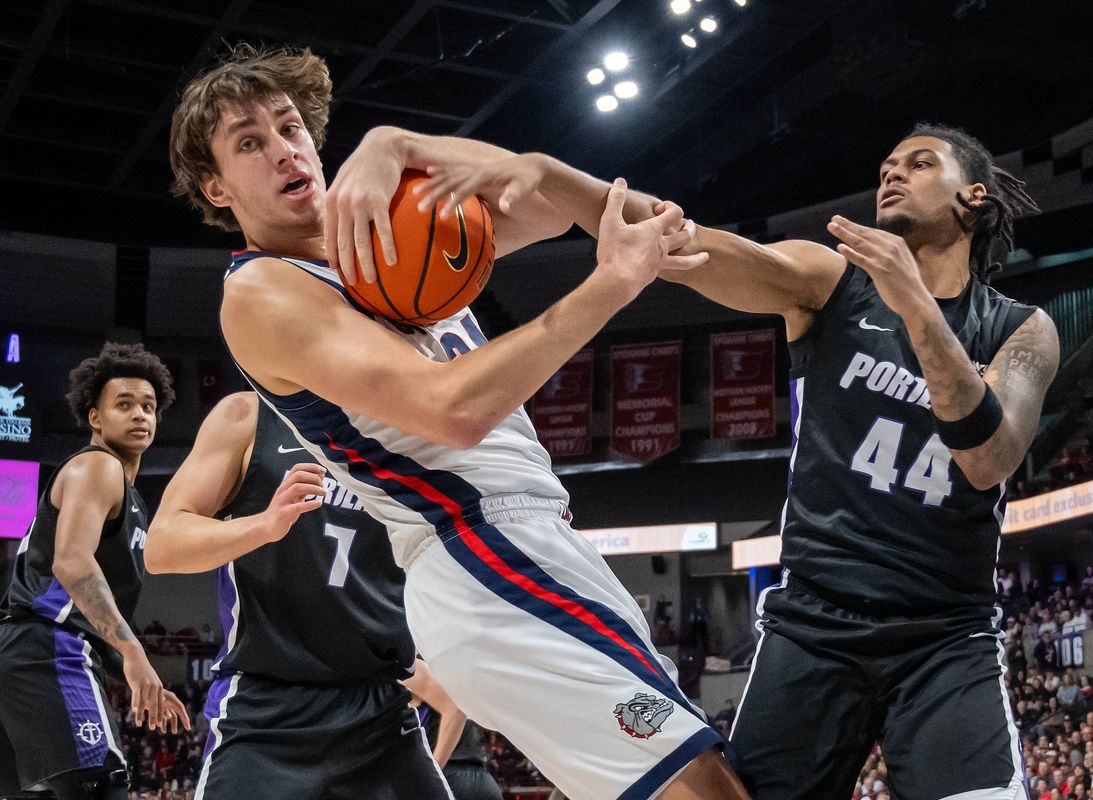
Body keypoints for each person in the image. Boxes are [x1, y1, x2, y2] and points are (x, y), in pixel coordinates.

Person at [167, 44, 743, 800]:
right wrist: (611, 284)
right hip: (477, 559)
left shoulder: (386, 238)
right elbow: (453, 411)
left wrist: (399, 145)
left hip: (539, 542)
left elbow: (548, 194)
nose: (283, 150)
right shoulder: (263, 293)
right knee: (702, 791)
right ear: (215, 187)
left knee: (709, 782)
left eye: (289, 127)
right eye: (250, 143)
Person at [419, 122, 1058, 798]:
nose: (892, 174)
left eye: (921, 164)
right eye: (887, 164)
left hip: (946, 633)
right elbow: (681, 238)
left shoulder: (1020, 327)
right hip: (816, 623)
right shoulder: (831, 281)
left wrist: (920, 309)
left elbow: (988, 458)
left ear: (974, 197)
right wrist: (549, 172)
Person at [145, 392, 452, 799]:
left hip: (377, 708)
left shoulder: (415, 434)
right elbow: (162, 546)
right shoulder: (248, 416)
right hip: (266, 709)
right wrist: (263, 526)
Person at [0, 343, 190, 800]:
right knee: (102, 787)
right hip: (49, 646)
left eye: (148, 406)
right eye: (123, 405)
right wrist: (134, 653)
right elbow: (72, 563)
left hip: (24, 652)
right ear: (95, 418)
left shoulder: (129, 494)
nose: (140, 415)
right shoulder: (97, 467)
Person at [409, 660, 503, 800]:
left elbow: (454, 709)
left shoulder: (403, 667)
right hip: (475, 777)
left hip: (452, 779)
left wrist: (433, 772)